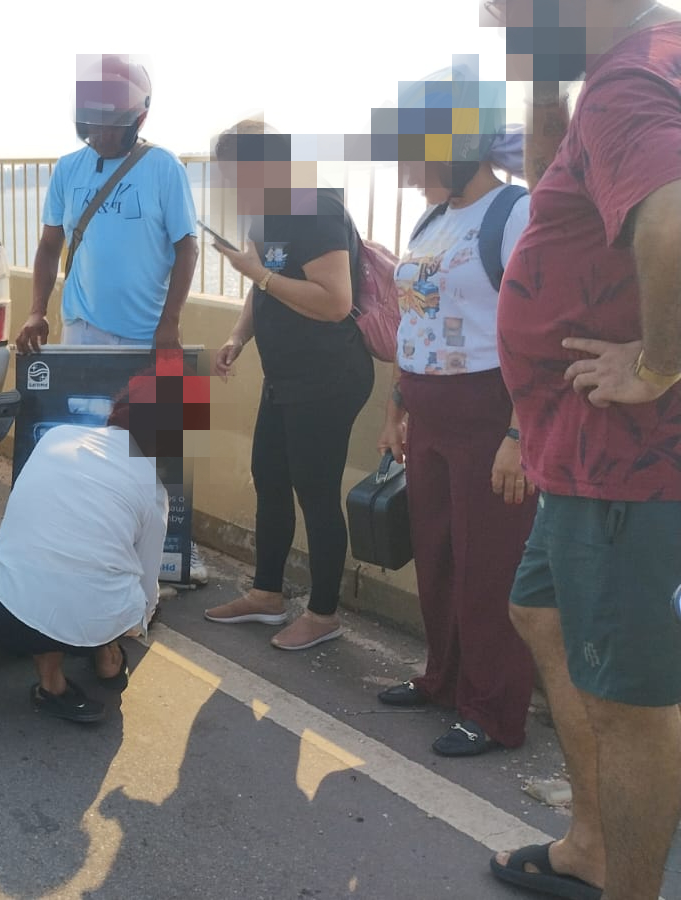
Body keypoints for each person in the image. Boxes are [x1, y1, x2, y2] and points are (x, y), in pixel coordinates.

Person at [484, 2, 681, 897]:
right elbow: (553, 206)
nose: (494, 17)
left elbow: (672, 219)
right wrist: (545, 82)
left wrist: (658, 363)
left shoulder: (627, 85)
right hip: (575, 450)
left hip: (624, 463)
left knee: (630, 708)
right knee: (542, 614)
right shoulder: (636, 61)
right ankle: (593, 842)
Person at [372, 64, 538, 757]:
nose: (406, 165)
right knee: (436, 555)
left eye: (414, 147)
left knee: (487, 565)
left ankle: (494, 712)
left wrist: (517, 433)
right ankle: (442, 678)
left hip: (489, 413)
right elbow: (420, 320)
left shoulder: (515, 212)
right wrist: (398, 402)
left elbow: (537, 330)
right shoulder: (435, 218)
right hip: (430, 410)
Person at [15, 53, 206, 585]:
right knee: (83, 443)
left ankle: (171, 553)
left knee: (158, 450)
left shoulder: (164, 167)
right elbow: (50, 245)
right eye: (92, 121)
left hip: (150, 332)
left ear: (136, 122)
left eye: (110, 123)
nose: (99, 133)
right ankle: (85, 545)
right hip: (84, 330)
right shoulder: (67, 168)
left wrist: (170, 322)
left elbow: (187, 250)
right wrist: (36, 310)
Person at [201, 119, 375, 651]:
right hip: (285, 378)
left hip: (328, 377)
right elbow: (263, 292)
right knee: (270, 479)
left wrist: (257, 273)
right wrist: (237, 337)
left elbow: (335, 301)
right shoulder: (265, 214)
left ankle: (324, 613)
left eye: (234, 174)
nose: (230, 186)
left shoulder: (317, 211)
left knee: (315, 492)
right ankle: (267, 594)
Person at [0, 382, 172, 723]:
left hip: (9, 616)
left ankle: (52, 684)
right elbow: (147, 589)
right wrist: (129, 627)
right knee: (97, 579)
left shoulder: (56, 438)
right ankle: (104, 654)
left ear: (117, 411)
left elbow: (29, 519)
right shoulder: (156, 493)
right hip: (98, 622)